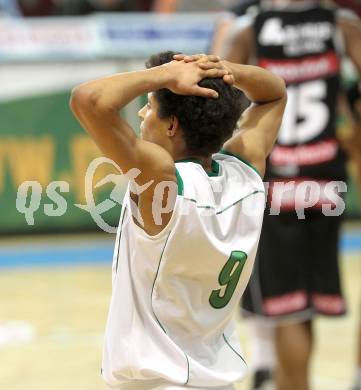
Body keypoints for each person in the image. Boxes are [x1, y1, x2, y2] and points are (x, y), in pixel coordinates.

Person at [70, 52, 286, 389]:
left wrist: (166, 73)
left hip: (158, 380)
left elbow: (88, 99)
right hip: (217, 379)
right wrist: (226, 71)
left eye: (150, 106)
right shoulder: (245, 171)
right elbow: (274, 93)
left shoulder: (162, 181)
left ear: (171, 125)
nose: (142, 114)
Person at [222, 1, 361, 390]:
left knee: (289, 313)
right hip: (326, 182)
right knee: (307, 312)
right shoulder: (341, 25)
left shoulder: (249, 29)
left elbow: (215, 99)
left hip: (276, 184)